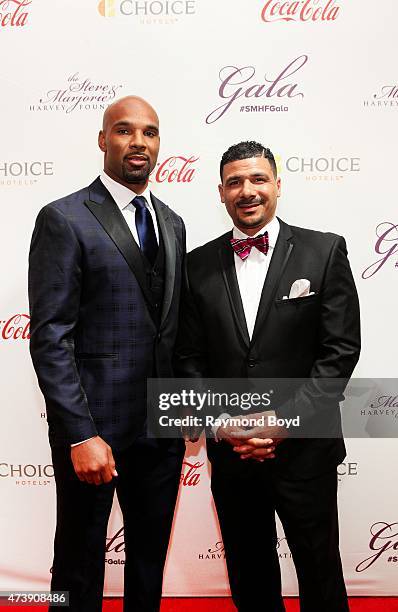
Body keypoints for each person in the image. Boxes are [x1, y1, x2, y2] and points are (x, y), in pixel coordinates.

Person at [175, 141, 360, 611]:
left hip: (305, 453)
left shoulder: (324, 250)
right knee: (250, 577)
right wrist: (222, 424)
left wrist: (284, 421)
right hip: (233, 453)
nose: (247, 190)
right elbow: (189, 359)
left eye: (258, 179)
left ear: (278, 184)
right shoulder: (196, 264)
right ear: (220, 192)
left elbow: (338, 355)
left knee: (320, 573)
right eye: (235, 181)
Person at [28, 96, 186, 612]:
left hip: (159, 431)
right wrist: (79, 433)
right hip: (93, 429)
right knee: (76, 560)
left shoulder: (173, 221)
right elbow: (51, 336)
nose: (138, 142)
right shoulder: (64, 217)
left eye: (149, 132)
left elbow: (172, 328)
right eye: (124, 130)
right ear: (103, 140)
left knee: (148, 561)